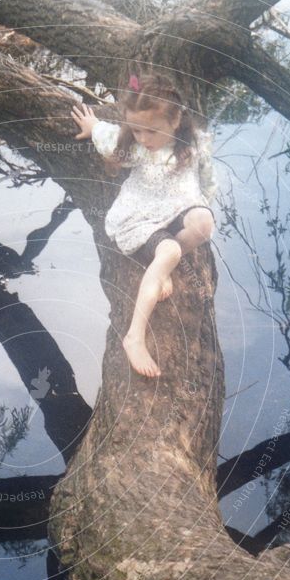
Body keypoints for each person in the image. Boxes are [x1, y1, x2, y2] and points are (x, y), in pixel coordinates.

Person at [71, 71, 218, 377]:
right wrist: (92, 126)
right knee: (170, 253)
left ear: (175, 121)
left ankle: (162, 268)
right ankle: (134, 337)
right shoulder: (135, 145)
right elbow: (107, 134)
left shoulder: (195, 143)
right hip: (143, 217)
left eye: (151, 132)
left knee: (204, 224)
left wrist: (201, 205)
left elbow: (208, 181)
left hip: (179, 206)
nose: (143, 139)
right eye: (136, 131)